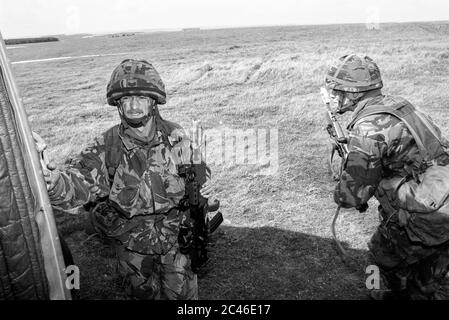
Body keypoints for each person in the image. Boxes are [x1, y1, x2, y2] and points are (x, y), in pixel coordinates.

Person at [44, 59, 214, 300]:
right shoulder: (106, 146)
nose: (133, 106)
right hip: (133, 250)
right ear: (118, 105)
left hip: (178, 244)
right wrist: (52, 182)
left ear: (153, 101)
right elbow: (76, 184)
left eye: (141, 98)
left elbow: (197, 178)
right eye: (126, 99)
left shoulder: (176, 136)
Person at [325, 54, 449, 300]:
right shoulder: (401, 105)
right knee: (429, 274)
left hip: (424, 213)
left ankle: (379, 294)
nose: (333, 96)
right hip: (443, 198)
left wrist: (341, 191)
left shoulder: (368, 128)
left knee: (377, 256)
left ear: (352, 93)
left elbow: (353, 194)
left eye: (336, 90)